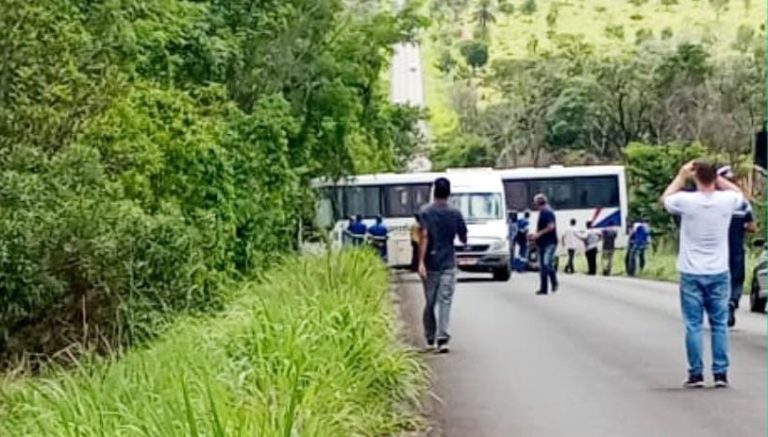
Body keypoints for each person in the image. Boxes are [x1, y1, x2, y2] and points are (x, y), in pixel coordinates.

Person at [662, 159, 744, 388]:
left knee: (693, 325)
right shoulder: (726, 201)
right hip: (719, 270)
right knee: (719, 324)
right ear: (715, 178)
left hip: (691, 271)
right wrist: (718, 178)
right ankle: (720, 373)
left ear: (696, 177)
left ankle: (696, 373)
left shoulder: (686, 201)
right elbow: (739, 193)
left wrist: (681, 176)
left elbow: (665, 199)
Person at [418, 177, 468, 354]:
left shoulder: (425, 212)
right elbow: (463, 237)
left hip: (430, 264)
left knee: (430, 301)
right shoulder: (455, 213)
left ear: (434, 192)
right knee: (445, 300)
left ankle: (430, 335)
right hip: (448, 262)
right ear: (449, 192)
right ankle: (442, 338)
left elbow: (424, 236)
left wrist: (421, 262)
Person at [717, 166, 756, 328]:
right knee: (736, 279)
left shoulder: (713, 201)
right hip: (736, 248)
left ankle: (719, 307)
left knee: (718, 280)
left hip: (716, 250)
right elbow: (752, 227)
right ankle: (732, 303)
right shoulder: (743, 203)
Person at [528, 194, 558, 295]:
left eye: (535, 202)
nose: (534, 204)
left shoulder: (547, 212)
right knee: (542, 267)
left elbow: (551, 226)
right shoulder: (541, 212)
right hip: (541, 242)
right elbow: (541, 227)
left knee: (546, 263)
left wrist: (538, 234)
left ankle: (554, 281)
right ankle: (543, 288)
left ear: (538, 202)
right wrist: (534, 236)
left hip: (550, 242)